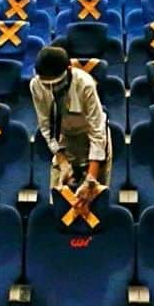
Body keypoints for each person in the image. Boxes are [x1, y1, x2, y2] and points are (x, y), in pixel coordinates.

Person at [30, 45, 112, 210]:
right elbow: (46, 126)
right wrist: (62, 160)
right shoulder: (36, 85)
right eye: (46, 84)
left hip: (91, 136)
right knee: (59, 202)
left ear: (68, 70)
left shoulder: (85, 84)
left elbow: (97, 132)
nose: (50, 89)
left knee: (94, 200)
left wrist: (91, 178)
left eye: (56, 83)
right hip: (64, 138)